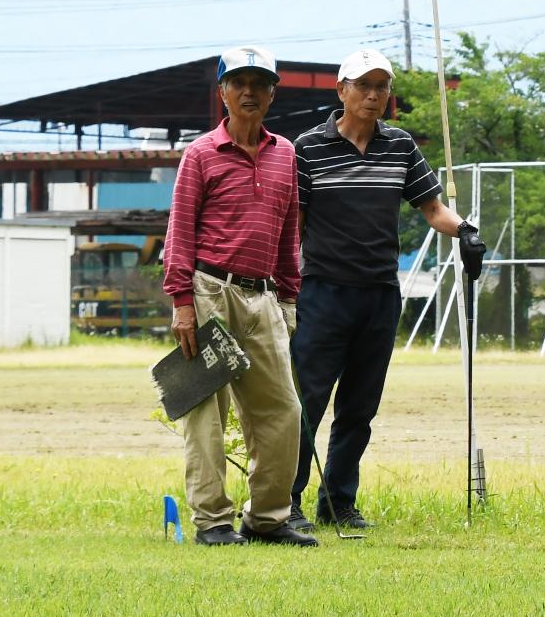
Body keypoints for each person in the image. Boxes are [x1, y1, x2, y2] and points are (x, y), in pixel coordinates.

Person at [287, 47, 487, 531]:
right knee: (306, 403)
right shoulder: (307, 147)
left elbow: (434, 209)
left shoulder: (399, 147)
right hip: (323, 291)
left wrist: (466, 231)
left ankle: (338, 502)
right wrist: (285, 285)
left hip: (379, 293)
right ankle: (284, 502)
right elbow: (294, 221)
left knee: (359, 407)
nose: (374, 95)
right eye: (364, 86)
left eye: (382, 87)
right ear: (342, 91)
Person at [162, 45, 316, 546]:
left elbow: (290, 231)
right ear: (223, 92)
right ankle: (212, 521)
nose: (249, 92)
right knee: (207, 411)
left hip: (264, 296)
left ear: (273, 93)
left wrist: (288, 300)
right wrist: (182, 303)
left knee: (282, 409)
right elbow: (179, 232)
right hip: (210, 291)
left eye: (260, 83)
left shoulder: (286, 153)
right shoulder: (201, 154)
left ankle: (267, 517)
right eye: (239, 83)